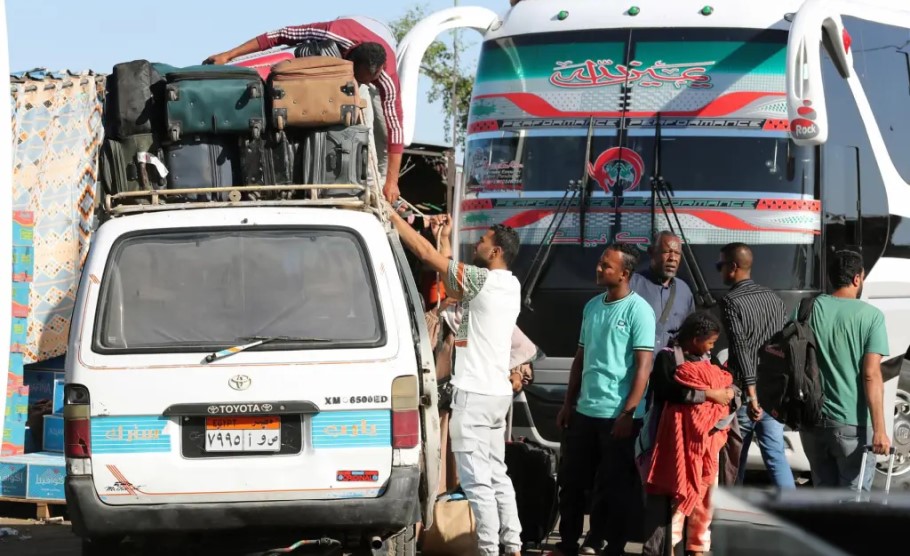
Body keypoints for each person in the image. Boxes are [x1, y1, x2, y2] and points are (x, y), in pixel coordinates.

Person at [388, 208, 523, 556]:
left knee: (477, 481)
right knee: (497, 476)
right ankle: (514, 544)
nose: (476, 243)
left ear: (495, 252)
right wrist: (444, 238)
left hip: (474, 396)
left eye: (482, 241)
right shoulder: (508, 285)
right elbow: (448, 275)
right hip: (496, 396)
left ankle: (490, 550)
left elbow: (425, 255)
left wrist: (390, 214)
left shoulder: (481, 281)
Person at [204, 17, 404, 203]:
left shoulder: (387, 77)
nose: (360, 84)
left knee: (370, 124)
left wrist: (392, 182)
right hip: (335, 63)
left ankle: (374, 186)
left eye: (365, 81)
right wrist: (228, 55)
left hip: (374, 61)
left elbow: (395, 127)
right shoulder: (333, 32)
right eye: (359, 80)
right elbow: (279, 35)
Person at [554, 243, 656, 556]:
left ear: (625, 274)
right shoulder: (592, 307)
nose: (599, 269)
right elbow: (579, 360)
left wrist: (628, 413)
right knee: (571, 483)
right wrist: (568, 404)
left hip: (618, 416)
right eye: (600, 263)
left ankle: (611, 544)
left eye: (606, 266)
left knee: (613, 488)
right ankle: (568, 543)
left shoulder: (640, 311)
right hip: (585, 412)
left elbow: (643, 369)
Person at [640, 312, 734, 556]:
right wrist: (709, 395)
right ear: (695, 339)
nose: (712, 347)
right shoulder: (667, 358)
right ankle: (662, 549)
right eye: (710, 342)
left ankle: (695, 547)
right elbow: (668, 391)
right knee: (668, 497)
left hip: (702, 444)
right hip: (670, 441)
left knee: (701, 494)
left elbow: (727, 386)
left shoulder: (707, 361)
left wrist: (727, 395)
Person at [799, 249, 891, 490]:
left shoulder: (807, 309)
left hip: (811, 420)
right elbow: (871, 374)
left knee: (823, 496)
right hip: (852, 424)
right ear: (857, 279)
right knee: (853, 503)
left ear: (831, 278)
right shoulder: (871, 317)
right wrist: (880, 430)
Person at [716, 243, 795, 489]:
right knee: (775, 456)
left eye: (721, 266)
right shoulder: (774, 299)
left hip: (745, 393)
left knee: (735, 459)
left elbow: (741, 348)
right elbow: (782, 348)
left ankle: (731, 516)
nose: (719, 271)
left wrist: (751, 396)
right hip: (772, 393)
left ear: (733, 267)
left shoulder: (731, 301)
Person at [630, 231, 695, 353]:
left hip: (670, 367)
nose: (672, 258)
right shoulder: (632, 285)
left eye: (677, 253)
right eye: (666, 252)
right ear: (651, 252)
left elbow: (689, 332)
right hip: (637, 365)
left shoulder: (684, 290)